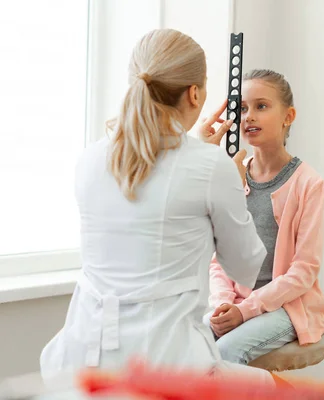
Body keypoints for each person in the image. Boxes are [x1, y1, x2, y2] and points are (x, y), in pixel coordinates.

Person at [39, 29, 272, 384]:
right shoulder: (211, 167)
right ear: (195, 93)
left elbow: (155, 196)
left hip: (81, 362)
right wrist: (230, 182)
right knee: (277, 389)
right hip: (165, 364)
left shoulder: (89, 159)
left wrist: (200, 154)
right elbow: (245, 266)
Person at [204, 69, 324, 366]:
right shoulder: (232, 173)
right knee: (184, 346)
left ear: (288, 116)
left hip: (287, 307)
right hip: (235, 302)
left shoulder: (309, 183)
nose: (249, 117)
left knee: (225, 353)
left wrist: (246, 310)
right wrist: (223, 303)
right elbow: (218, 260)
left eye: (261, 106)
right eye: (243, 108)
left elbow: (304, 271)